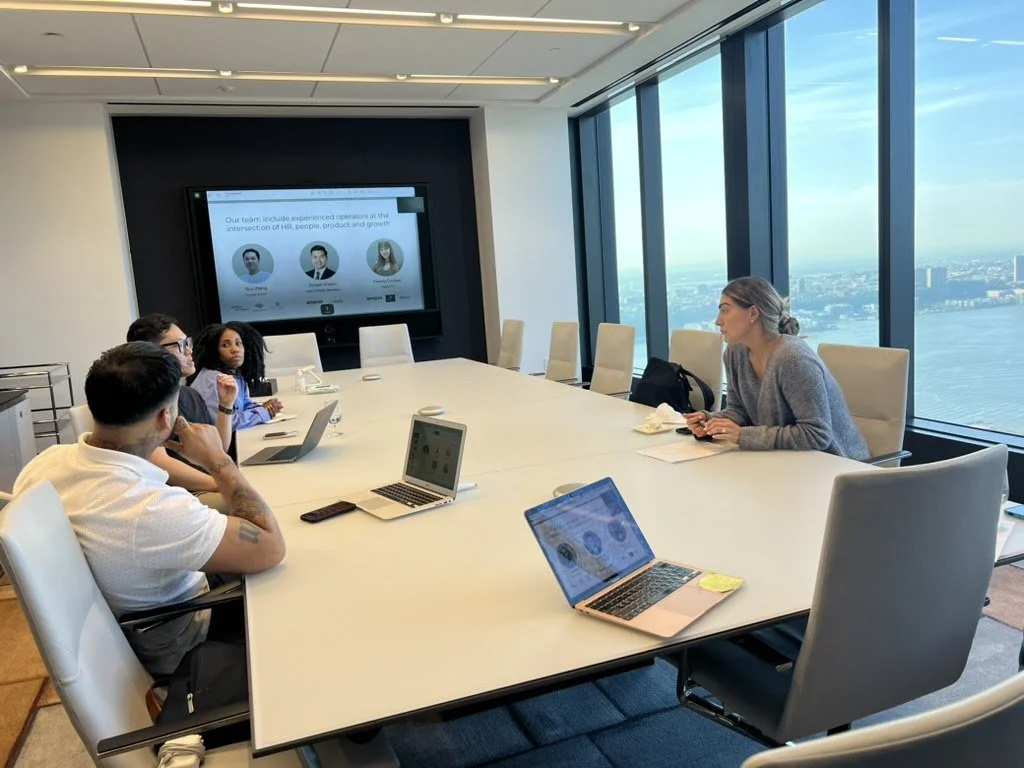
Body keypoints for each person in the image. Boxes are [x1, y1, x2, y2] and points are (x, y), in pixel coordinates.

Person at [14, 342, 286, 675]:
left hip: (132, 624)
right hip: (190, 637)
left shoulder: (43, 463)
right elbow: (272, 548)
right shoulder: (151, 510)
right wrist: (217, 459)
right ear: (165, 417)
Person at [683, 276, 868, 460]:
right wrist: (711, 422)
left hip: (835, 466)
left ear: (753, 314)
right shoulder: (735, 352)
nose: (718, 320)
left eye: (725, 310)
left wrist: (744, 436)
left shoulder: (792, 358)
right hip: (786, 461)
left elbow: (816, 434)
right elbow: (738, 410)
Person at [126, 314, 235, 511]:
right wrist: (220, 483)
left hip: (205, 484)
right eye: (181, 344)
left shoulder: (189, 394)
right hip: (178, 494)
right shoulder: (146, 401)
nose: (189, 350)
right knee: (244, 503)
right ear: (153, 353)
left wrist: (226, 405)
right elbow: (160, 461)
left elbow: (217, 448)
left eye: (188, 342)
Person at [191, 321, 284, 429]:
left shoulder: (235, 372)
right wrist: (263, 413)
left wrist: (266, 407)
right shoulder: (213, 379)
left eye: (238, 343)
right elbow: (227, 423)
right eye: (225, 345)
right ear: (215, 351)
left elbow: (244, 405)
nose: (235, 349)